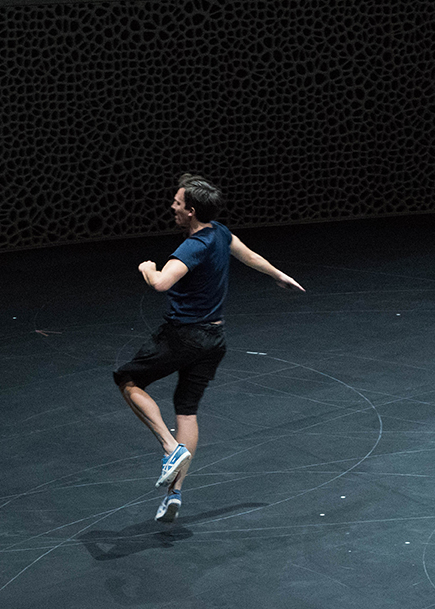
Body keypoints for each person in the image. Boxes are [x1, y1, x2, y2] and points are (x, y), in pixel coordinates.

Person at [117, 173, 304, 523]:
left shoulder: (193, 246)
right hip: (214, 340)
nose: (171, 206)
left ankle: (170, 448)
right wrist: (279, 275)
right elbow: (249, 257)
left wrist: (148, 269)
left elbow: (161, 283)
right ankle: (174, 494)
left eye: (176, 203)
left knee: (128, 380)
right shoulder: (221, 232)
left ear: (190, 211)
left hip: (183, 337)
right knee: (186, 411)